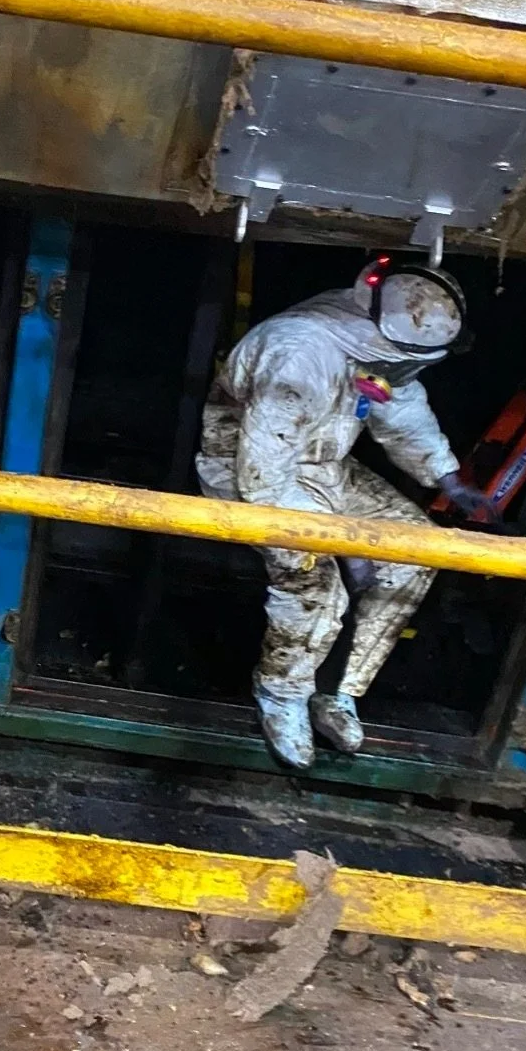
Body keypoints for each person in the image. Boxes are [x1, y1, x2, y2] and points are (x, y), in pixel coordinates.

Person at [195, 256, 498, 771]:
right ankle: (282, 694)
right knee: (316, 582)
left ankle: (337, 692)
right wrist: (338, 547)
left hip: (322, 465)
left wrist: (446, 476)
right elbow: (262, 476)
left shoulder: (370, 338)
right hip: (249, 473)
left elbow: (393, 398)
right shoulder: (299, 354)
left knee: (415, 551)